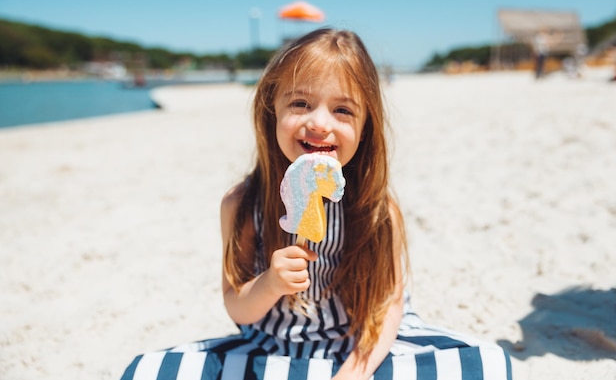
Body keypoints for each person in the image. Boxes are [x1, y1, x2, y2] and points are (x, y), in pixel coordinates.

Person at [119, 29, 512, 380]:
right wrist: (270, 283)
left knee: (488, 364)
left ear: (365, 128)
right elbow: (237, 308)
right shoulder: (242, 204)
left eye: (342, 110)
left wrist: (355, 373)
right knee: (148, 373)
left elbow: (388, 306)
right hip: (272, 344)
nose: (320, 123)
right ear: (272, 111)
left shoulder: (376, 209)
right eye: (301, 103)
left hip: (361, 344)